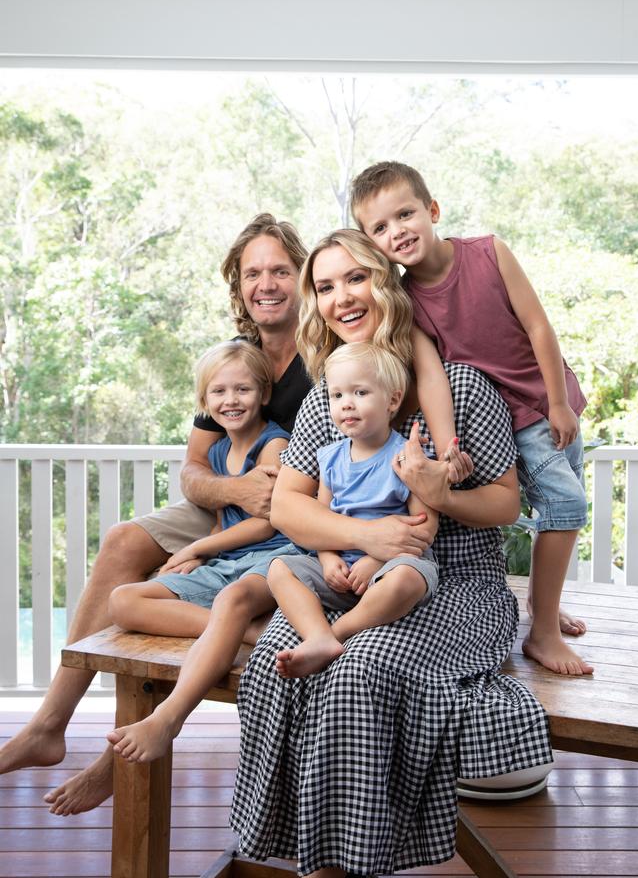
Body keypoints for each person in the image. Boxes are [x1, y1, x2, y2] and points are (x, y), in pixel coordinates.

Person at [229, 229, 553, 878]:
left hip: (456, 582)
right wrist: (366, 540)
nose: (342, 297)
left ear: (388, 282)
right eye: (324, 286)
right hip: (351, 575)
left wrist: (439, 495)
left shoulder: (461, 387)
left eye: (356, 278)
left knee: (359, 667)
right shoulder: (333, 391)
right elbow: (290, 507)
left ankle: (346, 865)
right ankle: (308, 856)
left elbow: (505, 505)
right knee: (274, 659)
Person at [0, 213, 311, 815]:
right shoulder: (236, 360)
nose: (266, 283)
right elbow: (195, 471)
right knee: (122, 542)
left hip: (290, 516)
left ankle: (111, 758)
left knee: (161, 590)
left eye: (280, 270)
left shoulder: (323, 356)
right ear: (239, 284)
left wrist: (259, 503)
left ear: (302, 277)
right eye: (253, 273)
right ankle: (49, 724)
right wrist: (238, 491)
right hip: (236, 501)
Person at [351, 160, 591, 677]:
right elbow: (434, 376)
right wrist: (450, 440)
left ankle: (545, 608)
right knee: (567, 506)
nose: (398, 231)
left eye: (405, 214)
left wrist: (558, 403)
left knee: (560, 509)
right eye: (380, 228)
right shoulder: (407, 301)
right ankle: (543, 633)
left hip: (552, 399)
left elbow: (538, 327)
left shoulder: (488, 252)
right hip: (509, 419)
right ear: (373, 243)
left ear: (432, 210)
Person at [104, 340, 303, 763]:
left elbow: (269, 518)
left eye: (243, 390)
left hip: (277, 555)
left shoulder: (274, 446)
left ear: (264, 394)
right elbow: (222, 515)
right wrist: (202, 558)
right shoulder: (215, 452)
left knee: (227, 592)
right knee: (124, 601)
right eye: (219, 392)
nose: (231, 400)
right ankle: (243, 632)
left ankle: (171, 715)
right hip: (229, 561)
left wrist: (198, 546)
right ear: (204, 401)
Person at [268, 342, 439, 680]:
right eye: (336, 396)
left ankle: (337, 634)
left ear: (392, 400)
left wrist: (376, 561)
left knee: (407, 578)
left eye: (360, 392)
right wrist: (328, 558)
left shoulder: (406, 457)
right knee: (278, 569)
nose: (346, 403)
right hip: (340, 573)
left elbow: (424, 529)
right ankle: (316, 634)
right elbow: (321, 519)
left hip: (392, 566)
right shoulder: (330, 458)